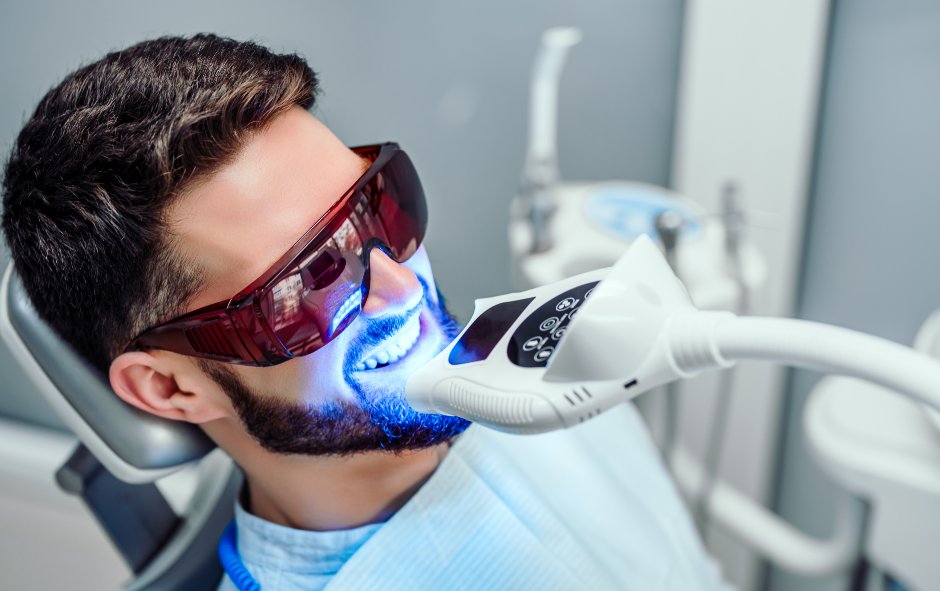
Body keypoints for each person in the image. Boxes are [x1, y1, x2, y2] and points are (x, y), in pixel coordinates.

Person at [2, 34, 731, 590]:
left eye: (378, 206)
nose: (402, 288)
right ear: (171, 386)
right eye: (306, 283)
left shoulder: (544, 355)